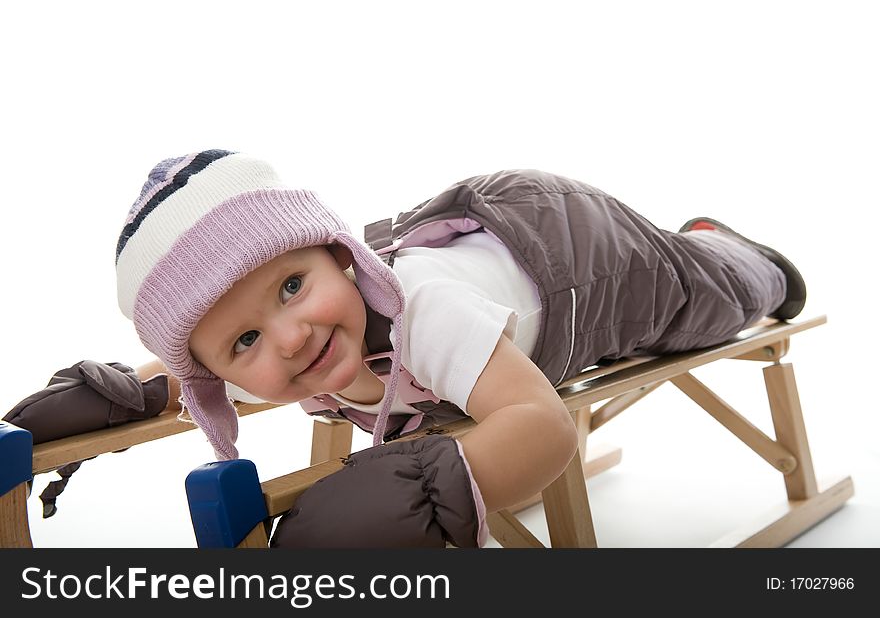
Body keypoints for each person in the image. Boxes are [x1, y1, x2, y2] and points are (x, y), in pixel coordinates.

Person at [117, 149, 805, 547]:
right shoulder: (276, 356)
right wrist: (129, 390)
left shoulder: (424, 312)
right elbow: (192, 377)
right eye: (245, 340)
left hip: (583, 257)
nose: (290, 338)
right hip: (486, 233)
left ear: (340, 256)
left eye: (292, 286)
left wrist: (417, 496)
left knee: (701, 296)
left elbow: (542, 427)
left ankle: (733, 251)